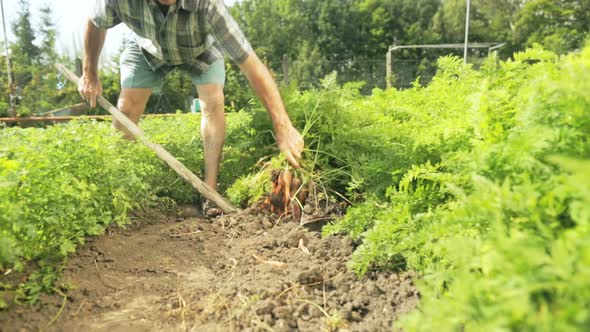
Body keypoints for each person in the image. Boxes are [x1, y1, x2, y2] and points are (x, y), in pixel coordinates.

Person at [79, 0, 304, 216]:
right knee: (126, 106)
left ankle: (210, 190)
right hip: (146, 45)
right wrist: (89, 73)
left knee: (213, 102)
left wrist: (283, 126)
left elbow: (250, 64)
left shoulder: (208, 4)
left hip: (201, 48)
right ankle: (117, 188)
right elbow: (95, 22)